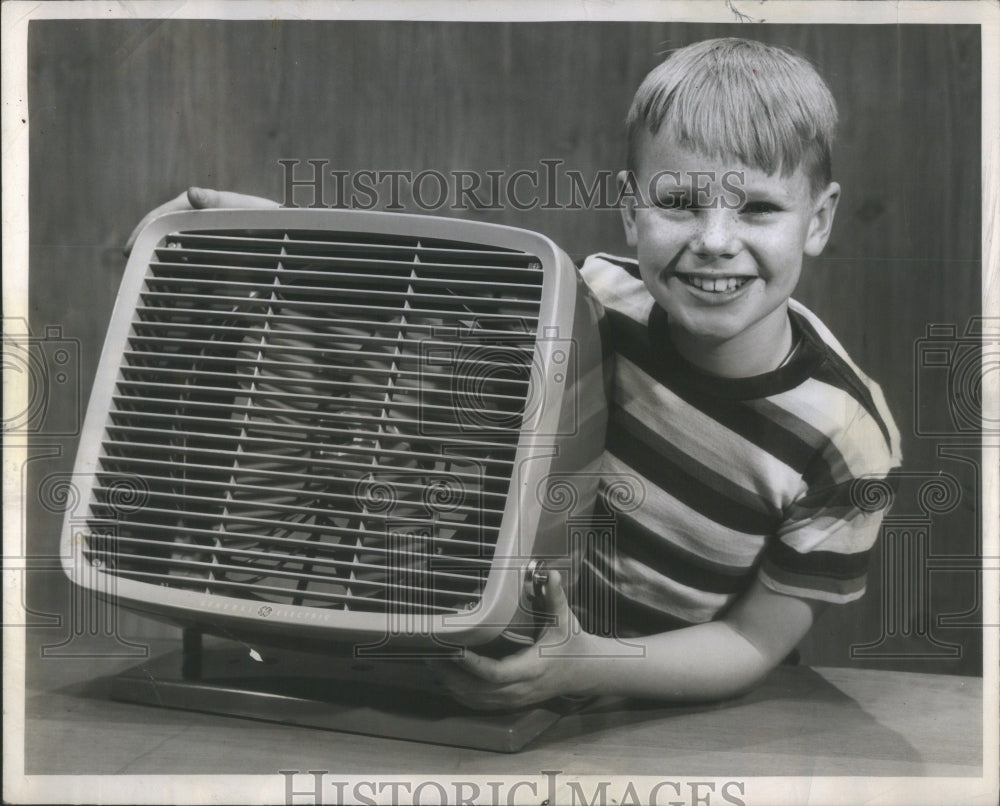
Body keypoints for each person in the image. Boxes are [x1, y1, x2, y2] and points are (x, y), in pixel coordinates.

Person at [125, 37, 901, 710]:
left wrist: (582, 667)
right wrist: (262, 230)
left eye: (759, 209)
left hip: (666, 711)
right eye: (679, 204)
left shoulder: (848, 446)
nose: (714, 241)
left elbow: (750, 643)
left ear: (821, 219)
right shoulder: (592, 299)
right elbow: (400, 304)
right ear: (632, 215)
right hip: (493, 673)